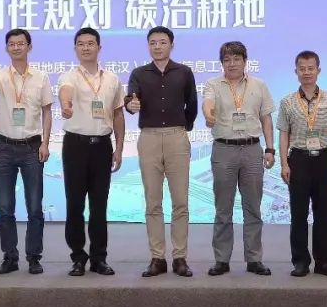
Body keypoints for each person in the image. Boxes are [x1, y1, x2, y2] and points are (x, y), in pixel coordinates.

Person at [126, 26, 198, 278]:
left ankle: (180, 257)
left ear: (171, 45)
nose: (157, 46)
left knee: (180, 201)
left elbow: (192, 106)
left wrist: (183, 128)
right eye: (153, 43)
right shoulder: (139, 73)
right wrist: (131, 104)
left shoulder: (184, 72)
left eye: (162, 42)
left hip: (177, 137)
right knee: (153, 201)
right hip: (149, 138)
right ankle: (157, 257)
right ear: (148, 46)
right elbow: (130, 100)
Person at [202, 41, 275, 277]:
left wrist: (270, 149)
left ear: (245, 61)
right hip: (224, 149)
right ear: (221, 63)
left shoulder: (259, 85)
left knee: (253, 207)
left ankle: (254, 259)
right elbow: (208, 104)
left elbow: (266, 119)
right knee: (223, 208)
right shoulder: (213, 84)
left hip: (252, 149)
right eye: (227, 60)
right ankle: (221, 260)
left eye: (236, 59)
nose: (232, 64)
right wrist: (208, 115)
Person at [58, 27, 125, 276]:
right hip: (75, 146)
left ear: (99, 47)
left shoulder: (112, 79)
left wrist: (119, 148)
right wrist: (66, 105)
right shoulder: (69, 76)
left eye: (90, 43)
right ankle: (78, 257)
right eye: (81, 44)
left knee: (99, 205)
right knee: (75, 204)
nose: (85, 47)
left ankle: (99, 258)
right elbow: (66, 92)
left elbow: (118, 114)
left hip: (102, 147)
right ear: (75, 48)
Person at [0, 28, 52, 275]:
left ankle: (34, 257)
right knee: (5, 208)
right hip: (3, 147)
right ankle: (10, 257)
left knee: (34, 206)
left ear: (29, 47)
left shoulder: (41, 77)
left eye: (20, 43)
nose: (16, 47)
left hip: (32, 146)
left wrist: (45, 143)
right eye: (11, 44)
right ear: (7, 48)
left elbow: (47, 111)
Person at [277, 51, 327, 278]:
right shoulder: (287, 101)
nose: (306, 72)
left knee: (323, 213)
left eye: (311, 68)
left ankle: (324, 262)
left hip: (323, 159)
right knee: (298, 214)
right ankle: (300, 262)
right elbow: (283, 134)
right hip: (298, 159)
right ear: (296, 71)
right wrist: (284, 164)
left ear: (318, 70)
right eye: (302, 68)